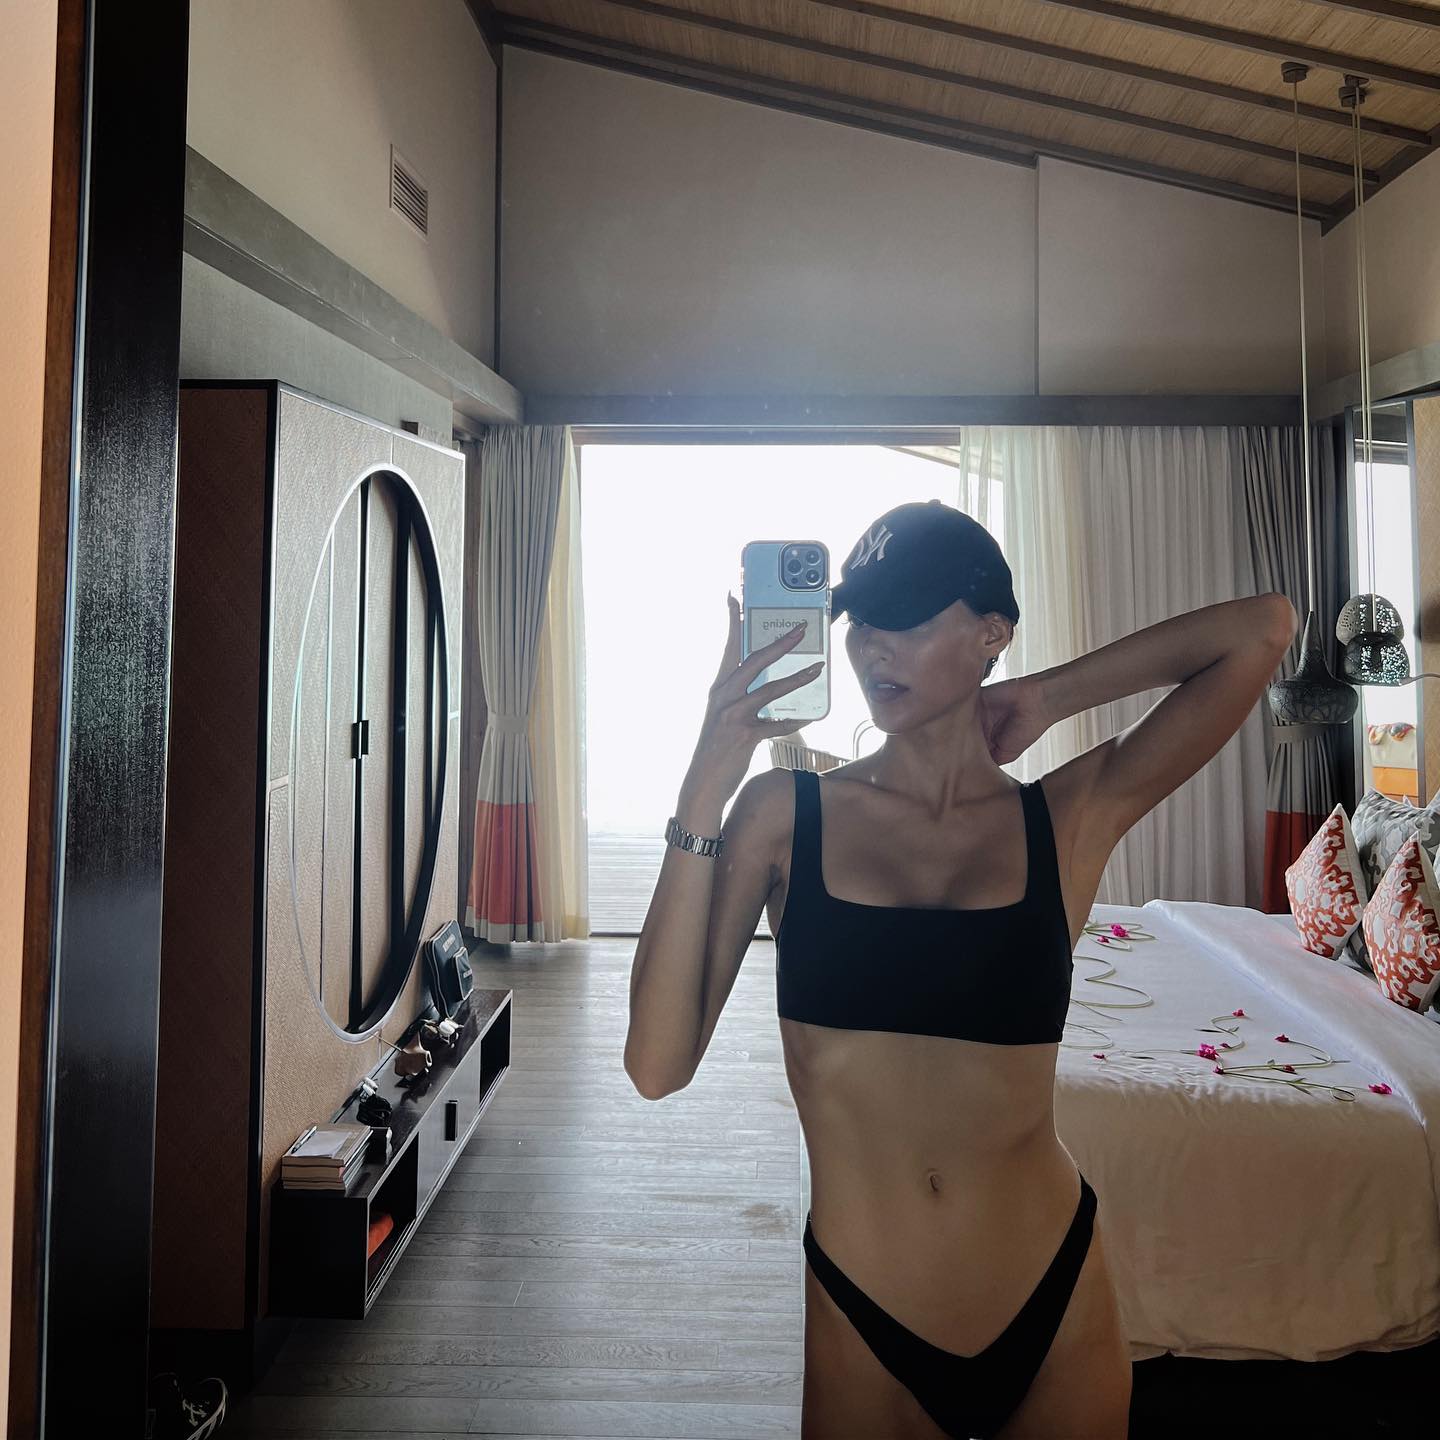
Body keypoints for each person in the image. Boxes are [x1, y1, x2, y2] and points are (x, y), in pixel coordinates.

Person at [624, 499, 1297, 1439]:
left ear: (991, 633)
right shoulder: (785, 815)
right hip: (865, 1316)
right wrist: (706, 783)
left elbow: (1263, 629)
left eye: (906, 615)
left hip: (1054, 1301)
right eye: (862, 618)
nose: (872, 645)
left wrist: (1045, 695)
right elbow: (657, 1066)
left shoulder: (1064, 818)